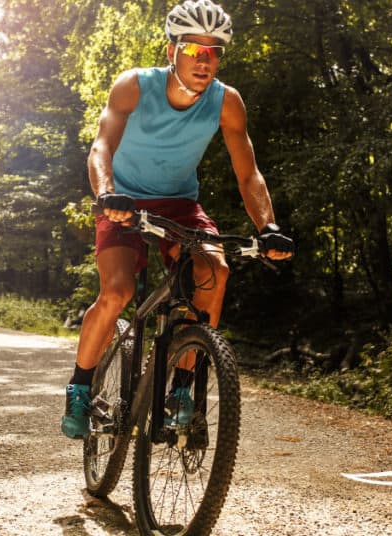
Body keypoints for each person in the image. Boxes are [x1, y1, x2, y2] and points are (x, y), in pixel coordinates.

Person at [61, 0, 295, 439]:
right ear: (172, 52)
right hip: (124, 199)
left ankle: (182, 388)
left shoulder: (227, 103)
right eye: (193, 50)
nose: (204, 61)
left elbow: (249, 175)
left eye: (214, 52)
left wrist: (268, 228)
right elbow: (101, 148)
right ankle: (80, 387)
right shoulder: (133, 86)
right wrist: (108, 193)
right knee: (118, 290)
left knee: (214, 270)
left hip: (180, 205)